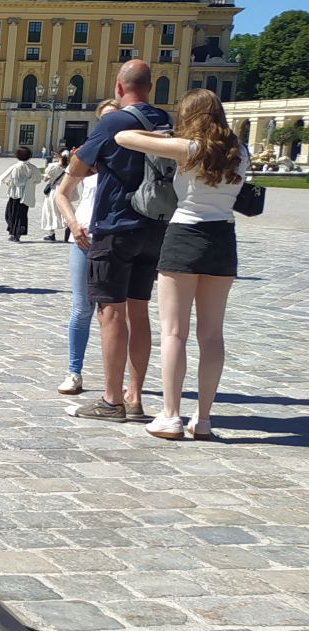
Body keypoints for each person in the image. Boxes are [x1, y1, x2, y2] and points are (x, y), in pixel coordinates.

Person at [113, 89, 247, 440]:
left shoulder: (188, 148)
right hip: (223, 238)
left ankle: (170, 414)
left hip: (185, 235)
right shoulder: (239, 152)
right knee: (212, 334)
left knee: (174, 332)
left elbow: (122, 136)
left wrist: (166, 135)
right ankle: (203, 419)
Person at [57, 60, 170, 424]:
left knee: (111, 313)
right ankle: (135, 397)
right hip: (155, 226)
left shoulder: (114, 122)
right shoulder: (165, 120)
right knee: (140, 311)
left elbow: (75, 170)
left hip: (116, 225)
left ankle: (110, 400)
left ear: (119, 89)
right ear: (150, 88)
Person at [54, 104, 116, 396]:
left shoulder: (134, 154)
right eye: (105, 118)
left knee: (114, 313)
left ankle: (114, 381)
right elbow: (61, 193)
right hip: (84, 238)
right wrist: (72, 223)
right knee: (82, 309)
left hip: (117, 239)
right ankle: (74, 371)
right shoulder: (87, 154)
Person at [0, 146, 41, 242]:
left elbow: (9, 179)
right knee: (22, 213)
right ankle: (18, 230)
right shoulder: (32, 167)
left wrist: (8, 183)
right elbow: (38, 179)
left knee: (12, 213)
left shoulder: (16, 167)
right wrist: (30, 182)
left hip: (15, 193)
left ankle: (14, 232)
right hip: (27, 194)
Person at [39, 149, 69, 242]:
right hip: (65, 190)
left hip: (54, 190)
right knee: (65, 211)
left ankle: (51, 234)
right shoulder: (69, 167)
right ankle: (67, 232)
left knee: (50, 210)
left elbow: (45, 179)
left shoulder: (53, 167)